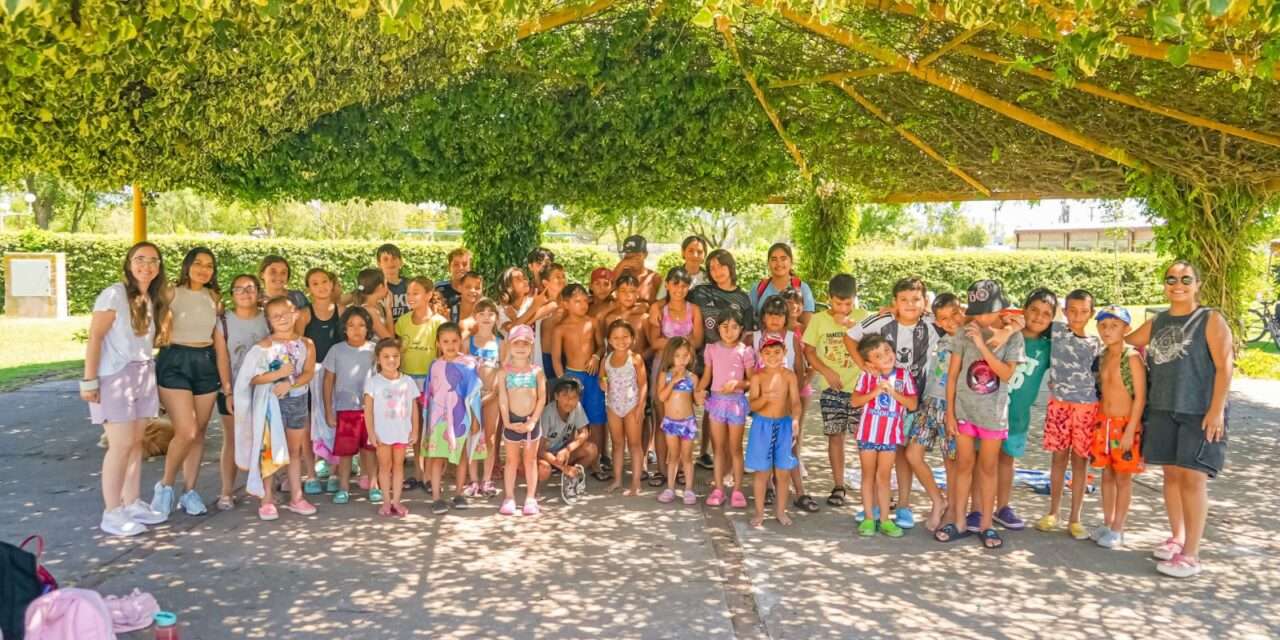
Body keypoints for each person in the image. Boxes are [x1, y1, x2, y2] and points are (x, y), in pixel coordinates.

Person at [1124, 260, 1231, 578]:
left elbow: (1225, 367)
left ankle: (1192, 554)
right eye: (1171, 279)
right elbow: (1127, 341)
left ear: (1197, 283)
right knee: (1171, 477)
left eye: (1185, 279)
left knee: (1193, 480)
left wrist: (1216, 410)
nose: (1177, 284)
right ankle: (1178, 537)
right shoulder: (1158, 321)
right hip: (1162, 409)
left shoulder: (1209, 319)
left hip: (1198, 411)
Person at [83, 242, 169, 536]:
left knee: (135, 443)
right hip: (115, 375)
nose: (146, 265)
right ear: (129, 263)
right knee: (119, 446)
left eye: (153, 260)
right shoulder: (113, 294)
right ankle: (112, 511)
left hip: (143, 371)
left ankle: (131, 502)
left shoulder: (149, 298)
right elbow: (95, 337)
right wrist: (89, 380)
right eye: (140, 259)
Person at [936, 280, 1024, 549]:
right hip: (964, 411)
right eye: (978, 311)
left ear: (1001, 309)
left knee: (987, 469)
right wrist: (950, 413)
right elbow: (952, 376)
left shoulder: (1013, 336)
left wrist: (985, 345)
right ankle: (959, 521)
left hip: (993, 415)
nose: (982, 317)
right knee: (964, 467)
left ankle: (986, 525)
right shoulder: (964, 332)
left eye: (988, 311)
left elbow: (1006, 374)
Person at [843, 276, 935, 528]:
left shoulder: (931, 322)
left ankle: (903, 506)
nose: (909, 304)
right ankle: (873, 507)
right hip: (880, 404)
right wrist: (865, 367)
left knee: (903, 454)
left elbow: (959, 320)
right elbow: (850, 337)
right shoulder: (882, 320)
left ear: (924, 302)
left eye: (916, 299)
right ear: (894, 302)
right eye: (903, 300)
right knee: (879, 458)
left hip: (913, 398)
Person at [151, 247, 232, 520]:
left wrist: (226, 382)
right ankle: (164, 486)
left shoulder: (214, 298)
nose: (203, 269)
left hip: (205, 362)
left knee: (198, 432)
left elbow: (219, 343)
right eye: (198, 263)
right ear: (187, 266)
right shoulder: (170, 292)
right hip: (175, 361)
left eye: (209, 265)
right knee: (185, 430)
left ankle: (189, 491)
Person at [243, 296, 318, 520]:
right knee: (271, 450)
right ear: (269, 320)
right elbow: (252, 378)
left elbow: (308, 373)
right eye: (276, 316)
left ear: (296, 314)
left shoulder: (307, 344)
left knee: (295, 451)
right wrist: (277, 376)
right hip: (271, 404)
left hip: (297, 400)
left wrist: (290, 383)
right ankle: (266, 499)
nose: (282, 319)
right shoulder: (263, 346)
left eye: (286, 313)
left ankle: (297, 496)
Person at [1035, 289, 1101, 540]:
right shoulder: (1057, 332)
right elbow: (1026, 318)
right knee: (1058, 459)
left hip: (1087, 408)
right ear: (1064, 312)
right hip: (1059, 406)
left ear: (1091, 314)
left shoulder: (1096, 343)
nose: (1077, 316)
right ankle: (1053, 512)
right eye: (1072, 311)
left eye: (1084, 312)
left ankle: (1076, 518)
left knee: (1080, 461)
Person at [801, 273, 866, 509]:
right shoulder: (818, 320)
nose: (844, 308)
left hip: (860, 390)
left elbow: (873, 346)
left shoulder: (862, 318)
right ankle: (839, 485)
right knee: (835, 437)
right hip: (832, 390)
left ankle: (873, 488)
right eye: (838, 304)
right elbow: (808, 351)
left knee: (864, 440)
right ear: (829, 299)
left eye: (848, 304)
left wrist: (853, 326)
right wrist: (826, 372)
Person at [994, 288, 1056, 530]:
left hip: (1017, 417)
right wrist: (1009, 325)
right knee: (983, 461)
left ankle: (1003, 506)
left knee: (1007, 461)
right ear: (1024, 310)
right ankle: (977, 507)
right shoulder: (1006, 335)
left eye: (1046, 314)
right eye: (1034, 310)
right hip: (988, 412)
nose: (1039, 317)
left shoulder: (1047, 347)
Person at [1089, 306, 1147, 549]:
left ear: (1127, 329)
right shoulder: (1102, 356)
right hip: (1104, 424)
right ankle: (1107, 521)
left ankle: (1118, 527)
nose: (1107, 330)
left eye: (1114, 326)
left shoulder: (1131, 357)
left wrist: (1131, 429)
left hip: (1125, 426)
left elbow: (1140, 397)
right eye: (1103, 325)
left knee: (1123, 477)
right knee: (1107, 474)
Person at [850, 334, 918, 538]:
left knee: (884, 477)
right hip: (868, 435)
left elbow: (912, 404)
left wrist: (893, 392)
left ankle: (886, 519)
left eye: (887, 350)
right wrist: (875, 392)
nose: (886, 356)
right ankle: (870, 518)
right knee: (868, 475)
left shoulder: (904, 376)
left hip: (890, 437)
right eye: (878, 355)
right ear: (870, 362)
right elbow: (855, 401)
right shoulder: (867, 375)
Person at [753, 296, 814, 512]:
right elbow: (750, 369)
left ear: (786, 317)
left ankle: (800, 491)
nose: (775, 318)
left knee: (791, 447)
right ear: (763, 317)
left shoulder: (791, 337)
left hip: (787, 402)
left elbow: (798, 369)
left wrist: (792, 400)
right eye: (770, 314)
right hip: (763, 404)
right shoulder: (753, 338)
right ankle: (769, 487)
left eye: (779, 314)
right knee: (766, 446)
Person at [216, 274, 271, 511]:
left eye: (250, 288)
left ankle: (266, 491)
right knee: (232, 439)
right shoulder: (223, 322)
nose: (245, 293)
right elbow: (222, 359)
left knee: (265, 439)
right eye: (239, 289)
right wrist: (228, 392)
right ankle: (226, 491)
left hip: (264, 389)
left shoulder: (268, 319)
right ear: (232, 294)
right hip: (233, 390)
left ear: (258, 292)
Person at [909, 293, 964, 531]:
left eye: (955, 314)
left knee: (950, 462)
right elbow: (920, 311)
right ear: (938, 322)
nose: (951, 321)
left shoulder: (968, 337)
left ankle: (952, 509)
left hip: (951, 406)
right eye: (944, 318)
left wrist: (952, 413)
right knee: (913, 453)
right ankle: (937, 499)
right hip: (929, 402)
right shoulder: (940, 333)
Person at [646, 267, 704, 488]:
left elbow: (697, 341)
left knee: (685, 415)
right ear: (667, 285)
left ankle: (681, 467)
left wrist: (671, 342)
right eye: (675, 284)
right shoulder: (658, 308)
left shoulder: (694, 309)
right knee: (664, 418)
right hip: (663, 366)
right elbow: (654, 341)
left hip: (686, 366)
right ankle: (662, 468)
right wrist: (682, 341)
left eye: (684, 285)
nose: (679, 289)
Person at [422, 322, 484, 515]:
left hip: (460, 417)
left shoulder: (469, 364)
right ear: (438, 343)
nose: (450, 345)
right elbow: (429, 395)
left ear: (460, 341)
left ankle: (458, 493)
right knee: (437, 457)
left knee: (461, 457)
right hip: (438, 419)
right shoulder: (434, 365)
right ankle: (436, 497)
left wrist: (474, 419)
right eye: (445, 341)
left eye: (455, 341)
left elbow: (473, 395)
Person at [697, 311, 755, 508]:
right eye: (724, 327)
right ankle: (719, 488)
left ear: (741, 329)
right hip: (716, 403)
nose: (729, 331)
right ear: (717, 328)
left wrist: (737, 383)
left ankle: (737, 489)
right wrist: (698, 390)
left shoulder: (745, 351)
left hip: (736, 403)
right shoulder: (711, 349)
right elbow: (706, 376)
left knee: (736, 448)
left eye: (734, 327)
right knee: (718, 448)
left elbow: (751, 381)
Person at [552, 284, 608, 479]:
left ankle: (597, 462)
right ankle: (570, 460)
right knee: (574, 423)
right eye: (577, 301)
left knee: (597, 420)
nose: (583, 305)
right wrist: (564, 383)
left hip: (592, 378)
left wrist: (595, 356)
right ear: (566, 304)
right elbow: (556, 359)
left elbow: (602, 346)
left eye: (585, 300)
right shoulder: (560, 329)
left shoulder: (592, 322)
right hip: (572, 377)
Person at [322, 307, 377, 505]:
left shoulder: (374, 350)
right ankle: (344, 487)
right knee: (345, 452)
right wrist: (329, 410)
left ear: (368, 328)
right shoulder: (337, 350)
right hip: (344, 410)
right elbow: (328, 380)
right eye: (351, 325)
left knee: (370, 450)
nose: (356, 329)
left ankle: (373, 485)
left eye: (361, 325)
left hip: (369, 411)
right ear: (344, 328)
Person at [745, 338, 801, 528]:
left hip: (784, 425)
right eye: (767, 353)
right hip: (762, 426)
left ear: (784, 352)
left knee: (783, 473)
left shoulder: (789, 376)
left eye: (777, 352)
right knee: (762, 472)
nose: (772, 357)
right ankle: (759, 512)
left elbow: (795, 401)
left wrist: (795, 419)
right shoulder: (757, 377)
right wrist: (765, 398)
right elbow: (752, 405)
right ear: (761, 355)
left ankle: (780, 511)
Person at [363, 338, 421, 517]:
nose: (391, 360)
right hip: (382, 434)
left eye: (395, 356)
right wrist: (371, 433)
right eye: (386, 356)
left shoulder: (408, 381)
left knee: (398, 466)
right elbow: (368, 411)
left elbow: (414, 410)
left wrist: (415, 430)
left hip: (401, 433)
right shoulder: (373, 382)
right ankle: (386, 502)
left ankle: (397, 501)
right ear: (378, 359)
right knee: (384, 466)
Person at [397, 277, 444, 492]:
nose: (411, 297)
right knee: (415, 429)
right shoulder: (403, 322)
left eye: (416, 292)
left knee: (430, 430)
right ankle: (417, 472)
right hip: (407, 381)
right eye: (409, 293)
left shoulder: (439, 323)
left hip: (430, 381)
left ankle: (429, 475)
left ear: (428, 295)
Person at [299, 268, 343, 494]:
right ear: (309, 288)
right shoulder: (305, 314)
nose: (321, 287)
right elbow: (296, 346)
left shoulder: (341, 310)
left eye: (325, 282)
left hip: (336, 376)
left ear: (332, 284)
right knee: (308, 425)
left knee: (336, 421)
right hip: (310, 377)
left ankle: (335, 471)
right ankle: (311, 473)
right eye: (315, 283)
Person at [497, 325, 548, 515]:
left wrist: (533, 421)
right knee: (510, 461)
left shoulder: (537, 372)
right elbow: (502, 398)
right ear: (510, 346)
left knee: (530, 460)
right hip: (511, 421)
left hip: (530, 423)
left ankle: (530, 498)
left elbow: (542, 398)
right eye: (516, 343)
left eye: (525, 344)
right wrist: (507, 422)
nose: (520, 347)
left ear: (531, 347)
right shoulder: (504, 372)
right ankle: (509, 497)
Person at [602, 319, 648, 495]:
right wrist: (603, 382)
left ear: (632, 338)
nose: (621, 341)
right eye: (616, 337)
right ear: (609, 340)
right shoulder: (607, 359)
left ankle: (636, 483)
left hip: (632, 405)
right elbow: (602, 377)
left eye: (625, 336)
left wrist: (641, 406)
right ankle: (617, 480)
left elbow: (643, 384)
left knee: (635, 444)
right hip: (613, 405)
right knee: (617, 443)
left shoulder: (635, 359)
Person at [466, 298, 505, 498]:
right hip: (472, 397)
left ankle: (487, 479)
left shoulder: (501, 343)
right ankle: (473, 480)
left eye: (490, 314)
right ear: (475, 317)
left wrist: (495, 392)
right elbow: (461, 370)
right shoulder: (468, 342)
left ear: (496, 318)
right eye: (481, 314)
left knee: (489, 436)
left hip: (493, 395)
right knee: (473, 434)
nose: (486, 317)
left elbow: (504, 369)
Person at [537, 379, 599, 502]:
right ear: (556, 396)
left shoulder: (577, 407)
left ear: (578, 399)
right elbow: (540, 450)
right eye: (564, 395)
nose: (569, 401)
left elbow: (584, 432)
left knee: (592, 449)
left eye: (573, 397)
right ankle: (535, 489)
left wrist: (568, 449)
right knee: (544, 469)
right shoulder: (547, 413)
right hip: (545, 455)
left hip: (562, 453)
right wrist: (562, 467)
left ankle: (572, 476)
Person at [656, 337, 700, 505]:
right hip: (671, 423)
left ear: (690, 357)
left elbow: (696, 401)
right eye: (677, 356)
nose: (681, 360)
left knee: (687, 457)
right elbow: (661, 397)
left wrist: (701, 396)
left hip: (687, 423)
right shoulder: (665, 376)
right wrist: (673, 382)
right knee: (673, 456)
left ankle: (688, 489)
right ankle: (670, 488)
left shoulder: (692, 378)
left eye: (685, 356)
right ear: (670, 357)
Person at [749, 243, 815, 327]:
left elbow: (808, 326)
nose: (779, 263)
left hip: (793, 339)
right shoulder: (758, 288)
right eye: (774, 259)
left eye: (783, 259)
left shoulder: (802, 288)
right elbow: (750, 321)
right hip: (763, 338)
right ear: (768, 263)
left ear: (791, 261)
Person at [538, 263, 569, 379]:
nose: (562, 279)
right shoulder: (540, 304)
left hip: (567, 355)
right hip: (547, 357)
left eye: (563, 276)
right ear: (546, 283)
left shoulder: (568, 302)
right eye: (557, 277)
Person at [657, 235, 709, 300]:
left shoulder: (709, 279)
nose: (695, 255)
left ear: (705, 255)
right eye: (691, 251)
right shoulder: (672, 275)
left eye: (699, 252)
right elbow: (660, 301)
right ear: (683, 252)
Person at [613, 235, 660, 303]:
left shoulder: (654, 278)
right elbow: (605, 292)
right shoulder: (620, 274)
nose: (632, 260)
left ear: (645, 254)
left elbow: (664, 303)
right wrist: (621, 265)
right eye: (628, 256)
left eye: (636, 255)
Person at [351, 268, 395, 339]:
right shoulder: (370, 311)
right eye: (386, 284)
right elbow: (389, 340)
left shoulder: (378, 306)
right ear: (380, 287)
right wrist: (388, 310)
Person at [377, 243, 410, 322]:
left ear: (401, 262)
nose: (390, 262)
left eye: (394, 258)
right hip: (385, 331)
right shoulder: (374, 287)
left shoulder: (410, 284)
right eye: (385, 259)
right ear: (379, 264)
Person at [436, 247, 472, 317]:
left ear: (470, 268)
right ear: (449, 268)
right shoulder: (438, 289)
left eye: (465, 264)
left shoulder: (475, 291)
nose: (460, 268)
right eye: (456, 264)